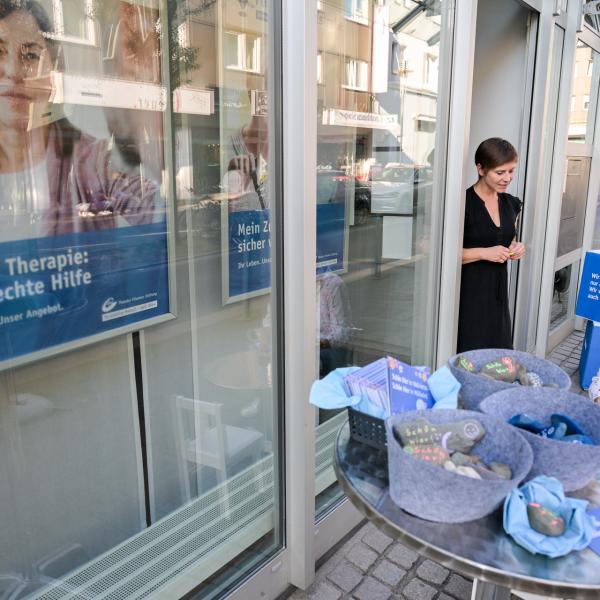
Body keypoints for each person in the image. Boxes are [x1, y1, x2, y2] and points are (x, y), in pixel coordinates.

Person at [0, 0, 159, 242]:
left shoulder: (92, 160)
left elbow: (159, 209)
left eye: (31, 55)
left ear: (53, 73)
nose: (13, 71)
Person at [457, 138, 526, 352]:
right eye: (500, 172)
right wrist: (484, 253)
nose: (507, 178)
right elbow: (438, 252)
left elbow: (505, 238)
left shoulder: (511, 204)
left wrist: (516, 247)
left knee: (498, 353)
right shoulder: (462, 203)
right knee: (469, 352)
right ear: (480, 169)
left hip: (497, 293)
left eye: (511, 171)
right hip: (467, 293)